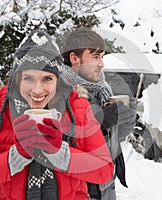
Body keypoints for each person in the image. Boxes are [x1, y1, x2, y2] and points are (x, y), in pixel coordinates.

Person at [0, 29, 114, 200]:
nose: (37, 90)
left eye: (47, 79)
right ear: (17, 79)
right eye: (28, 78)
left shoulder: (78, 107)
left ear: (58, 80)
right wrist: (17, 155)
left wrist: (59, 153)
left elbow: (104, 171)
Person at [60, 27, 137, 200]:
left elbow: (114, 139)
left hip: (107, 184)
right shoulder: (58, 92)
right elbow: (58, 145)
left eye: (102, 57)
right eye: (95, 56)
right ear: (74, 58)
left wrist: (126, 118)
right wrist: (98, 122)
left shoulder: (103, 90)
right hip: (79, 188)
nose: (101, 63)